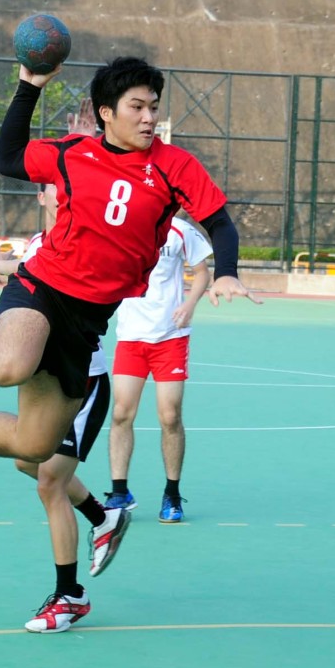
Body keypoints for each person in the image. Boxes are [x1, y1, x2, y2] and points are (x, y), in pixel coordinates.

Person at [0, 56, 258, 516]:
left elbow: (220, 222)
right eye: (137, 106)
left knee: (35, 445)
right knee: (7, 368)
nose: (149, 117)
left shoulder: (174, 166)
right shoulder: (72, 154)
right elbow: (7, 158)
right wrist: (29, 86)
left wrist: (226, 271)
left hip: (88, 319)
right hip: (43, 287)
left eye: (154, 107)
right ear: (106, 112)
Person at [14, 182, 127, 633]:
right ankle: (104, 517)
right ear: (40, 197)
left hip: (82, 382)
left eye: (67, 186)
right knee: (26, 459)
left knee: (48, 482)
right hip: (45, 379)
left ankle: (70, 596)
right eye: (51, 188)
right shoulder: (36, 247)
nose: (60, 193)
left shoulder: (84, 245)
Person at [104, 216, 212, 523]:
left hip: (170, 337)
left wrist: (190, 304)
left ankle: (172, 494)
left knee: (170, 415)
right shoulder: (123, 224)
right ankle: (119, 491)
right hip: (130, 336)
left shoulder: (181, 230)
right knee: (121, 413)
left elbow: (203, 273)